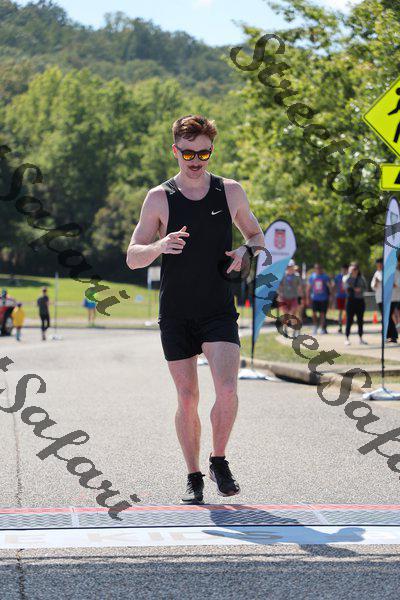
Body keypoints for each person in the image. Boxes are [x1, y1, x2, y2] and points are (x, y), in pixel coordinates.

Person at [126, 114, 265, 505]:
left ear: (211, 151)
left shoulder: (230, 191)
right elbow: (132, 257)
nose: (196, 160)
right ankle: (193, 475)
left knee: (228, 389)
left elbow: (257, 235)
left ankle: (219, 460)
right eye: (188, 153)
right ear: (175, 151)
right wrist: (159, 246)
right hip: (176, 312)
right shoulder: (159, 198)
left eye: (204, 153)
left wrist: (246, 250)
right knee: (187, 398)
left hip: (218, 308)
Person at [371, 257, 398, 343]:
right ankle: (390, 335)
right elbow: (373, 286)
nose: (379, 266)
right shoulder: (377, 273)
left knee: (387, 316)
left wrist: (386, 282)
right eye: (378, 264)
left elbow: (396, 284)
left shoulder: (390, 271)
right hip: (380, 298)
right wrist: (376, 282)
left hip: (390, 298)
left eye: (380, 264)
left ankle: (391, 335)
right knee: (386, 316)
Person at [343, 262, 368, 345]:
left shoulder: (361, 278)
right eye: (352, 269)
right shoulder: (347, 278)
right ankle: (347, 338)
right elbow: (345, 287)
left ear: (357, 270)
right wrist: (354, 289)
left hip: (360, 301)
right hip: (350, 301)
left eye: (355, 269)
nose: (353, 271)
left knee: (360, 320)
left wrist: (360, 290)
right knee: (349, 320)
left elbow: (365, 288)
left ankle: (361, 338)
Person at [278, 259, 303, 336]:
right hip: (284, 297)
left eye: (291, 266)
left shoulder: (297, 276)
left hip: (294, 297)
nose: (290, 268)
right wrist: (279, 295)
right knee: (286, 314)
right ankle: (285, 328)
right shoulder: (283, 275)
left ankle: (295, 330)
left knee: (293, 314)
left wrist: (300, 298)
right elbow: (280, 286)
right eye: (288, 267)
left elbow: (300, 287)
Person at [307, 264, 330, 335]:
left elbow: (329, 287)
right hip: (314, 298)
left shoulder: (325, 277)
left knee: (322, 314)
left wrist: (331, 296)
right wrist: (308, 297)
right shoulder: (312, 277)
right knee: (314, 313)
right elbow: (308, 288)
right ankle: (315, 327)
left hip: (324, 298)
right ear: (315, 269)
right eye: (317, 268)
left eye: (320, 268)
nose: (318, 270)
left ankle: (322, 328)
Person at [333, 264, 349, 334]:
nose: (344, 271)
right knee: (340, 312)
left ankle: (347, 326)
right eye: (343, 269)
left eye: (345, 270)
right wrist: (334, 295)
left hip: (347, 296)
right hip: (339, 296)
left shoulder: (349, 276)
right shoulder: (338, 277)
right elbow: (334, 286)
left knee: (348, 311)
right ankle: (340, 326)